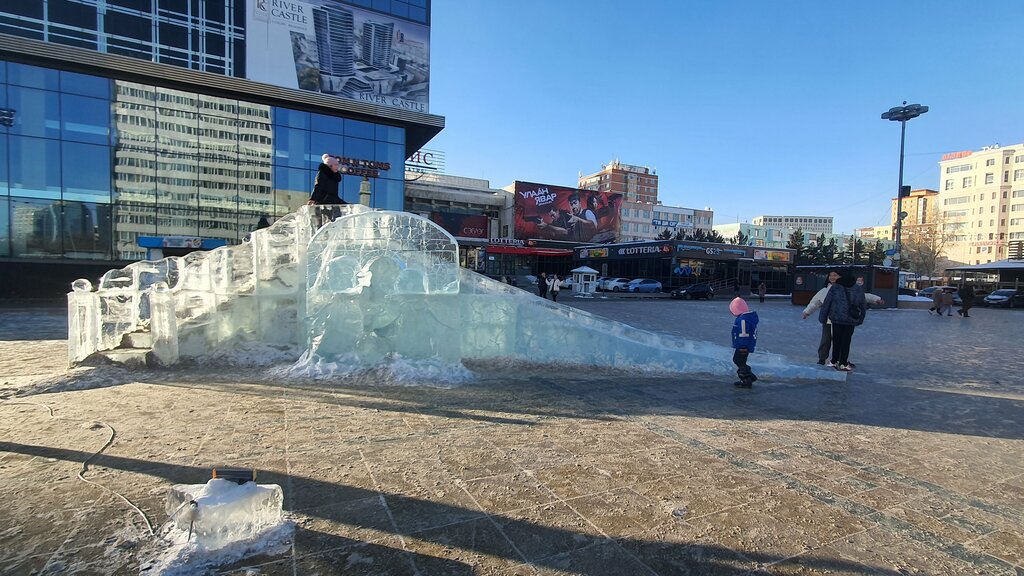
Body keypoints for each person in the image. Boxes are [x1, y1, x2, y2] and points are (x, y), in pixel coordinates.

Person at [802, 270, 883, 367]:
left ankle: (841, 360)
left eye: (835, 275)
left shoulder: (849, 288)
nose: (832, 277)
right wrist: (807, 312)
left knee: (842, 341)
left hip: (841, 319)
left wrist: (876, 299)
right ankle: (822, 358)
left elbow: (863, 296)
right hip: (829, 320)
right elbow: (815, 302)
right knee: (826, 340)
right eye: (830, 275)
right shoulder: (824, 291)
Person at [818, 273, 865, 372]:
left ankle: (834, 361)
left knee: (836, 340)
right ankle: (843, 362)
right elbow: (862, 304)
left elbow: (827, 303)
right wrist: (860, 319)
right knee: (846, 341)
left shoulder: (835, 288)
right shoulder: (857, 288)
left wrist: (823, 317)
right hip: (851, 319)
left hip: (837, 317)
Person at [729, 297, 759, 388]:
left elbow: (743, 333)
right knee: (740, 361)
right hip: (746, 345)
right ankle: (749, 376)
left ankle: (746, 380)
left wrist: (743, 345)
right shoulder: (747, 318)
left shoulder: (743, 320)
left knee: (738, 360)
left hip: (743, 346)